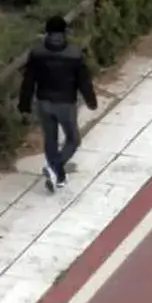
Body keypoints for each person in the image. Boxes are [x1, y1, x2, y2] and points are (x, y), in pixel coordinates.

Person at [18, 14, 98, 192]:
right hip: (66, 104)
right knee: (73, 139)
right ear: (64, 32)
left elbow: (28, 80)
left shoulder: (37, 52)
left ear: (47, 32)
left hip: (43, 102)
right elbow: (83, 81)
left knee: (50, 139)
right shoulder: (75, 53)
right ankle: (55, 167)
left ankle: (57, 175)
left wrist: (24, 103)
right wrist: (91, 100)